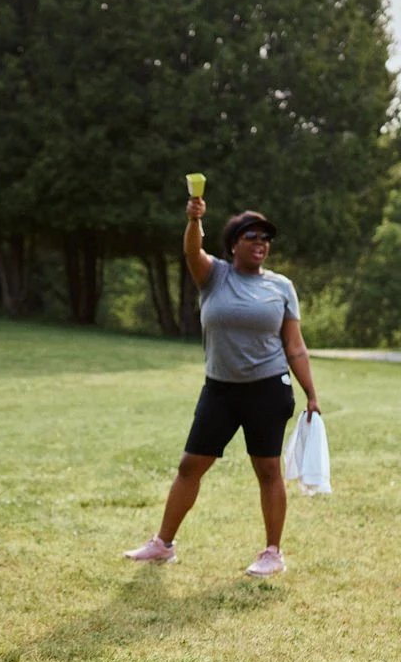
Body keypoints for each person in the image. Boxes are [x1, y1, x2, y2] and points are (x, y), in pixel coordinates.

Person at [124, 197, 320, 577]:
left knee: (267, 470)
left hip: (268, 388)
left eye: (266, 238)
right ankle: (163, 544)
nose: (261, 243)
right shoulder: (214, 275)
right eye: (252, 236)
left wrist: (311, 393)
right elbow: (191, 248)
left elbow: (294, 345)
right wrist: (194, 219)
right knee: (190, 465)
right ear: (234, 244)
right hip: (220, 389)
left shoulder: (281, 287)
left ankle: (272, 552)